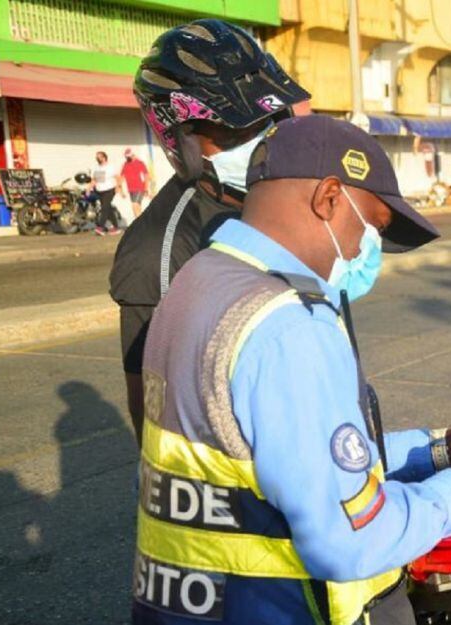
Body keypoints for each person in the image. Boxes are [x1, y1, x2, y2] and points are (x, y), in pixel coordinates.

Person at [131, 113, 451, 624]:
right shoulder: (288, 324)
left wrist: (443, 445)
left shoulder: (201, 280)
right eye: (371, 226)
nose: (363, 248)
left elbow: (291, 461)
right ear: (328, 198)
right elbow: (348, 540)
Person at [110, 19, 311, 444]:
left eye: (266, 121)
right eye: (231, 131)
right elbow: (153, 410)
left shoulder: (282, 198)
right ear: (180, 141)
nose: (257, 140)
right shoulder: (157, 252)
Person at [90, 151, 121, 235]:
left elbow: (117, 177)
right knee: (108, 209)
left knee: (104, 208)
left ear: (104, 157)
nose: (97, 158)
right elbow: (95, 180)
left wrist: (118, 187)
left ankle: (101, 227)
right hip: (100, 191)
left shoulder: (110, 166)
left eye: (99, 156)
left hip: (110, 189)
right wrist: (89, 188)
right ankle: (116, 227)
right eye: (96, 157)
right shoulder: (97, 168)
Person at [118, 148, 150, 218]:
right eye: (126, 157)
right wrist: (121, 190)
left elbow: (146, 175)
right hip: (131, 189)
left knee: (134, 205)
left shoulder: (140, 163)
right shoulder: (125, 164)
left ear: (132, 155)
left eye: (128, 156)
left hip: (139, 188)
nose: (127, 158)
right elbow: (121, 177)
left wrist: (146, 188)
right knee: (137, 207)